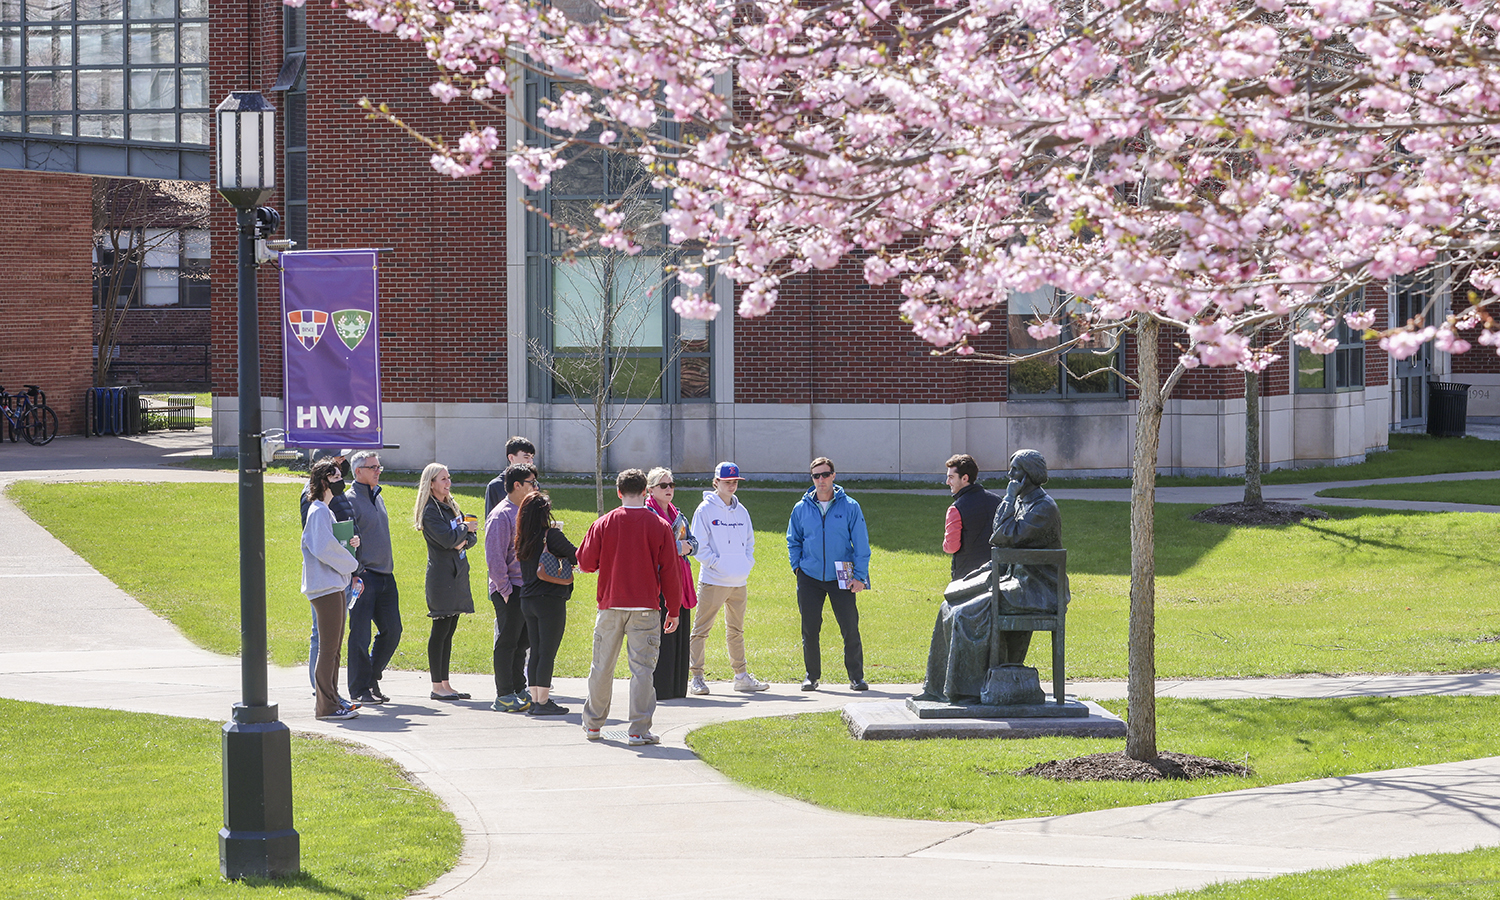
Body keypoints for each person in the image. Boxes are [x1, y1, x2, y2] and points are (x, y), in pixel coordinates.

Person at [918, 449, 1063, 703]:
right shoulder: (1022, 502)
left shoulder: (1043, 508)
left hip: (1037, 589)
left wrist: (1007, 499)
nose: (1010, 475)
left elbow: (1002, 536)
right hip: (1012, 579)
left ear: (1029, 475)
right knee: (948, 606)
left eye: (1016, 470)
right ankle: (937, 688)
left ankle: (967, 691)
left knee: (967, 613)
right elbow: (999, 534)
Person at [576, 468, 683, 745]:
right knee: (643, 670)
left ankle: (593, 724)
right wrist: (674, 609)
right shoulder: (659, 525)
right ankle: (638, 729)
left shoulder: (604, 523)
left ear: (619, 492)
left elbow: (585, 562)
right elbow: (671, 571)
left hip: (610, 605)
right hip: (646, 607)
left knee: (602, 667)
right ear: (646, 492)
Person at [786, 456, 871, 692]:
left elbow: (861, 545)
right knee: (810, 628)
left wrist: (860, 576)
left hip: (841, 576)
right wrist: (797, 567)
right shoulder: (801, 508)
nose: (821, 480)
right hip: (810, 577)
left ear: (833, 476)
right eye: (816, 476)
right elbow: (793, 540)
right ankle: (811, 676)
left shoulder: (850, 507)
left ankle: (856, 677)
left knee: (850, 627)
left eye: (825, 474)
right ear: (812, 478)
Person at [687, 462, 769, 695]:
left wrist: (745, 564)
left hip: (738, 582)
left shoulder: (742, 511)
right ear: (716, 483)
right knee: (701, 629)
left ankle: (741, 677)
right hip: (714, 580)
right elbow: (697, 546)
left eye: (735, 482)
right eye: (727, 482)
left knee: (736, 630)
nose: (732, 486)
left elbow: (750, 542)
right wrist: (717, 563)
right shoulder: (705, 510)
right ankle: (697, 677)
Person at [301, 458, 361, 720]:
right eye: (336, 477)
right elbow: (324, 548)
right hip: (324, 587)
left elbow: (333, 543)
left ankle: (334, 700)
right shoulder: (318, 511)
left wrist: (350, 543)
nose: (341, 482)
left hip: (334, 584)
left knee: (335, 648)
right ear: (324, 480)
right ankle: (325, 707)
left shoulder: (327, 511)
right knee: (328, 649)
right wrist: (351, 562)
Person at [415, 462, 478, 701]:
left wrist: (462, 537)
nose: (448, 483)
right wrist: (462, 531)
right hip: (441, 577)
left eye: (448, 478)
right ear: (431, 483)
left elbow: (470, 539)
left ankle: (446, 683)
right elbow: (446, 538)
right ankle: (436, 686)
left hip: (457, 573)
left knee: (450, 631)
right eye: (443, 479)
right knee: (440, 630)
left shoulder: (450, 506)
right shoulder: (430, 511)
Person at [347, 450, 402, 706]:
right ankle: (359, 689)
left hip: (386, 577)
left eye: (379, 467)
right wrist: (357, 571)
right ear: (358, 471)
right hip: (364, 577)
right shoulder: (348, 500)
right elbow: (346, 542)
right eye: (373, 468)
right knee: (360, 635)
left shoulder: (377, 496)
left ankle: (371, 678)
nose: (378, 471)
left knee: (392, 631)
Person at [514, 489, 576, 716]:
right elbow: (576, 554)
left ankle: (537, 700)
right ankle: (543, 701)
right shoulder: (551, 535)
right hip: (549, 599)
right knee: (547, 651)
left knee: (537, 650)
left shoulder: (522, 537)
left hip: (527, 599)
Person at [485, 463, 538, 712]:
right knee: (507, 642)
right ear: (517, 485)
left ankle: (519, 688)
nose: (536, 488)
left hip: (527, 587)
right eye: (531, 483)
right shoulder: (501, 515)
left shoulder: (525, 512)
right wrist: (505, 590)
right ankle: (503, 694)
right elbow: (494, 559)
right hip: (509, 589)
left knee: (522, 642)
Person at [645, 467, 698, 700]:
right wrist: (679, 548)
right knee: (664, 635)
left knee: (680, 633)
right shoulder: (649, 513)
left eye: (671, 485)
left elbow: (693, 541)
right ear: (650, 489)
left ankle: (678, 688)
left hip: (680, 578)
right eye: (663, 485)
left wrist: (688, 547)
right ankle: (662, 689)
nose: (669, 489)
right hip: (659, 582)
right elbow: (653, 547)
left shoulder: (678, 514)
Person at [943, 453, 1002, 581]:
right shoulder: (998, 501)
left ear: (964, 478)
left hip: (966, 575)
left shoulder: (955, 509)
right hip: (997, 572)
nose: (948, 482)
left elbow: (951, 547)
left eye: (951, 477)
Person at [484, 436, 537, 517]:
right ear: (511, 457)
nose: (530, 462)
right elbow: (491, 521)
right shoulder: (495, 486)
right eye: (526, 457)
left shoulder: (533, 484)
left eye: (532, 457)